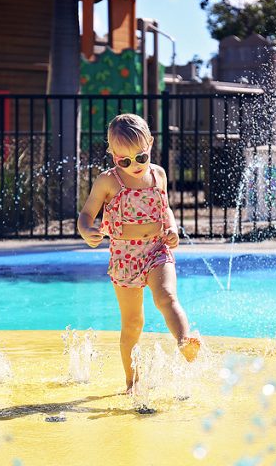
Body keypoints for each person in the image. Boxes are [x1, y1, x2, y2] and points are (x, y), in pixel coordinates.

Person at [77, 113, 201, 393]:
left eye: (141, 157)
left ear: (150, 145)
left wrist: (172, 228)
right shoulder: (108, 182)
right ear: (113, 155)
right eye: (124, 161)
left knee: (166, 297)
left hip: (157, 249)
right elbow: (86, 214)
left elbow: (165, 208)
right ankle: (131, 382)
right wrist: (86, 230)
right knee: (133, 323)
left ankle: (185, 342)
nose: (134, 165)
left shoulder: (158, 175)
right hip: (125, 259)